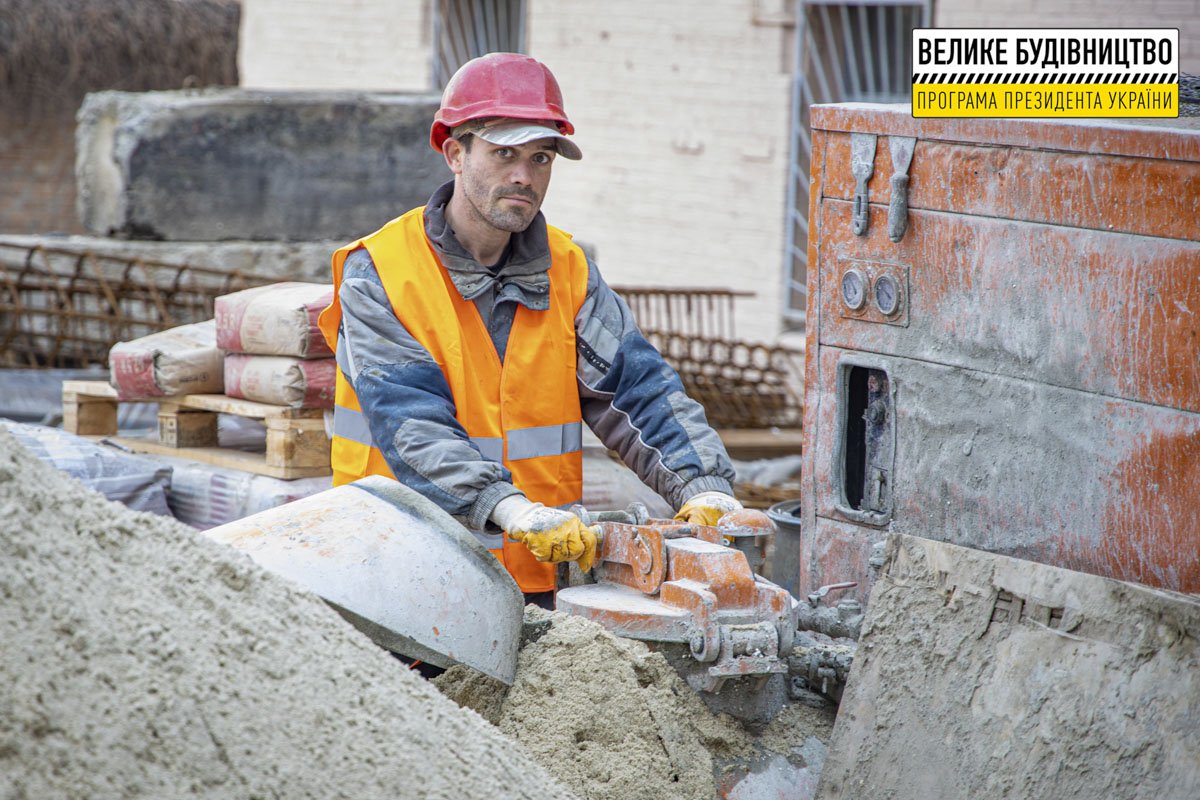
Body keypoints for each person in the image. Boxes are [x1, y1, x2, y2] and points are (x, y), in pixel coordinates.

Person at [317, 53, 741, 605]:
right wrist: (510, 509)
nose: (524, 175)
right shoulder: (380, 272)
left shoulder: (569, 270)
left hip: (540, 581)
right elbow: (410, 421)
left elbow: (638, 391)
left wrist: (704, 486)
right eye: (504, 153)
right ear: (454, 153)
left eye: (541, 157)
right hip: (402, 579)